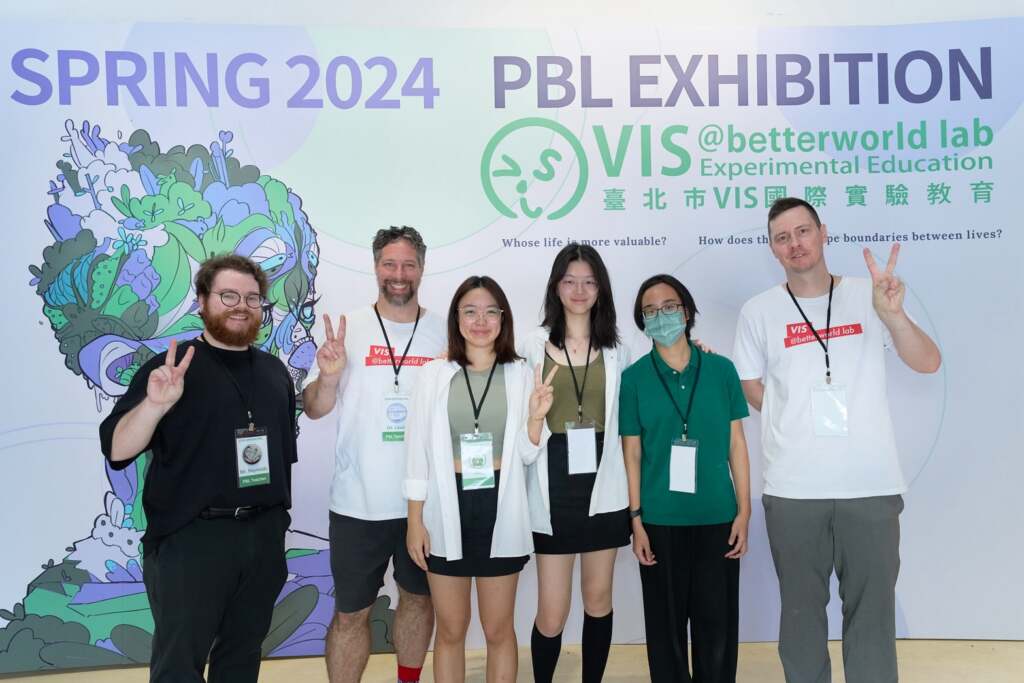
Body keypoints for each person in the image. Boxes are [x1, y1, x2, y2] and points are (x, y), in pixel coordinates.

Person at [733, 197, 941, 683]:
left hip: (869, 485)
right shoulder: (759, 311)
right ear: (772, 248)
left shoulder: (871, 295)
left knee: (872, 617)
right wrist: (792, 415)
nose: (795, 244)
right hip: (793, 489)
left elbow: (928, 362)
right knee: (800, 617)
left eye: (803, 231)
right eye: (782, 237)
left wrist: (893, 316)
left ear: (823, 233)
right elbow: (748, 383)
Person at [99, 254, 298, 682]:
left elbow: (282, 458)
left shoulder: (274, 372)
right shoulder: (170, 369)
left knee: (241, 658)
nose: (241, 305)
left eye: (252, 298)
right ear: (202, 301)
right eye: (228, 295)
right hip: (192, 540)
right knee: (178, 666)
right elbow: (117, 449)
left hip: (263, 538)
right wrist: (154, 406)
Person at [303, 226, 445, 683]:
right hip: (357, 504)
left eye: (408, 264)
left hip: (424, 503)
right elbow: (314, 408)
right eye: (389, 264)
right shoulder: (349, 328)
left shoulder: (445, 331)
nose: (398, 274)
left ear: (421, 268)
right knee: (350, 614)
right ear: (376, 267)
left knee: (418, 600)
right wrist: (328, 378)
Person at [404, 275, 557, 683]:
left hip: (500, 505)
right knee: (451, 630)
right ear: (456, 318)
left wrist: (536, 420)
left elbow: (528, 455)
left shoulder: (521, 374)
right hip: (445, 507)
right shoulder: (434, 374)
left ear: (503, 319)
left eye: (491, 311)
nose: (481, 321)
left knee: (498, 630)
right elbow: (417, 452)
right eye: (470, 311)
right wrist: (415, 520)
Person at [620, 274, 752, 683]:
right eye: (650, 311)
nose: (661, 316)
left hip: (718, 517)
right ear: (642, 321)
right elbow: (632, 454)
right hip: (660, 521)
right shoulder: (634, 379)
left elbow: (736, 444)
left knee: (718, 631)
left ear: (687, 311)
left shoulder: (721, 370)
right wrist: (636, 520)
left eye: (669, 306)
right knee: (666, 635)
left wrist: (744, 511)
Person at [519, 244, 631, 683]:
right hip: (554, 483)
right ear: (556, 287)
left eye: (589, 282)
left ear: (601, 288)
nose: (579, 290)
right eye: (570, 281)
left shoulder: (620, 350)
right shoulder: (531, 346)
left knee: (598, 599)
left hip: (604, 482)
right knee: (552, 611)